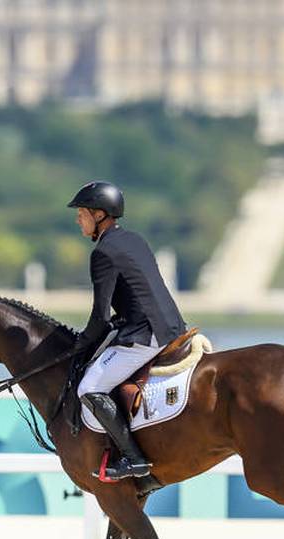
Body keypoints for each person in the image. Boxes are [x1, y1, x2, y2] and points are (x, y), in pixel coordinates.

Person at [68, 181, 187, 480]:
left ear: (98, 215)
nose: (77, 219)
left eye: (81, 213)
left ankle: (134, 459)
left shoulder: (103, 253)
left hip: (147, 335)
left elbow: (99, 314)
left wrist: (81, 344)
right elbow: (139, 294)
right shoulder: (134, 239)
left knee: (89, 387)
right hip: (172, 325)